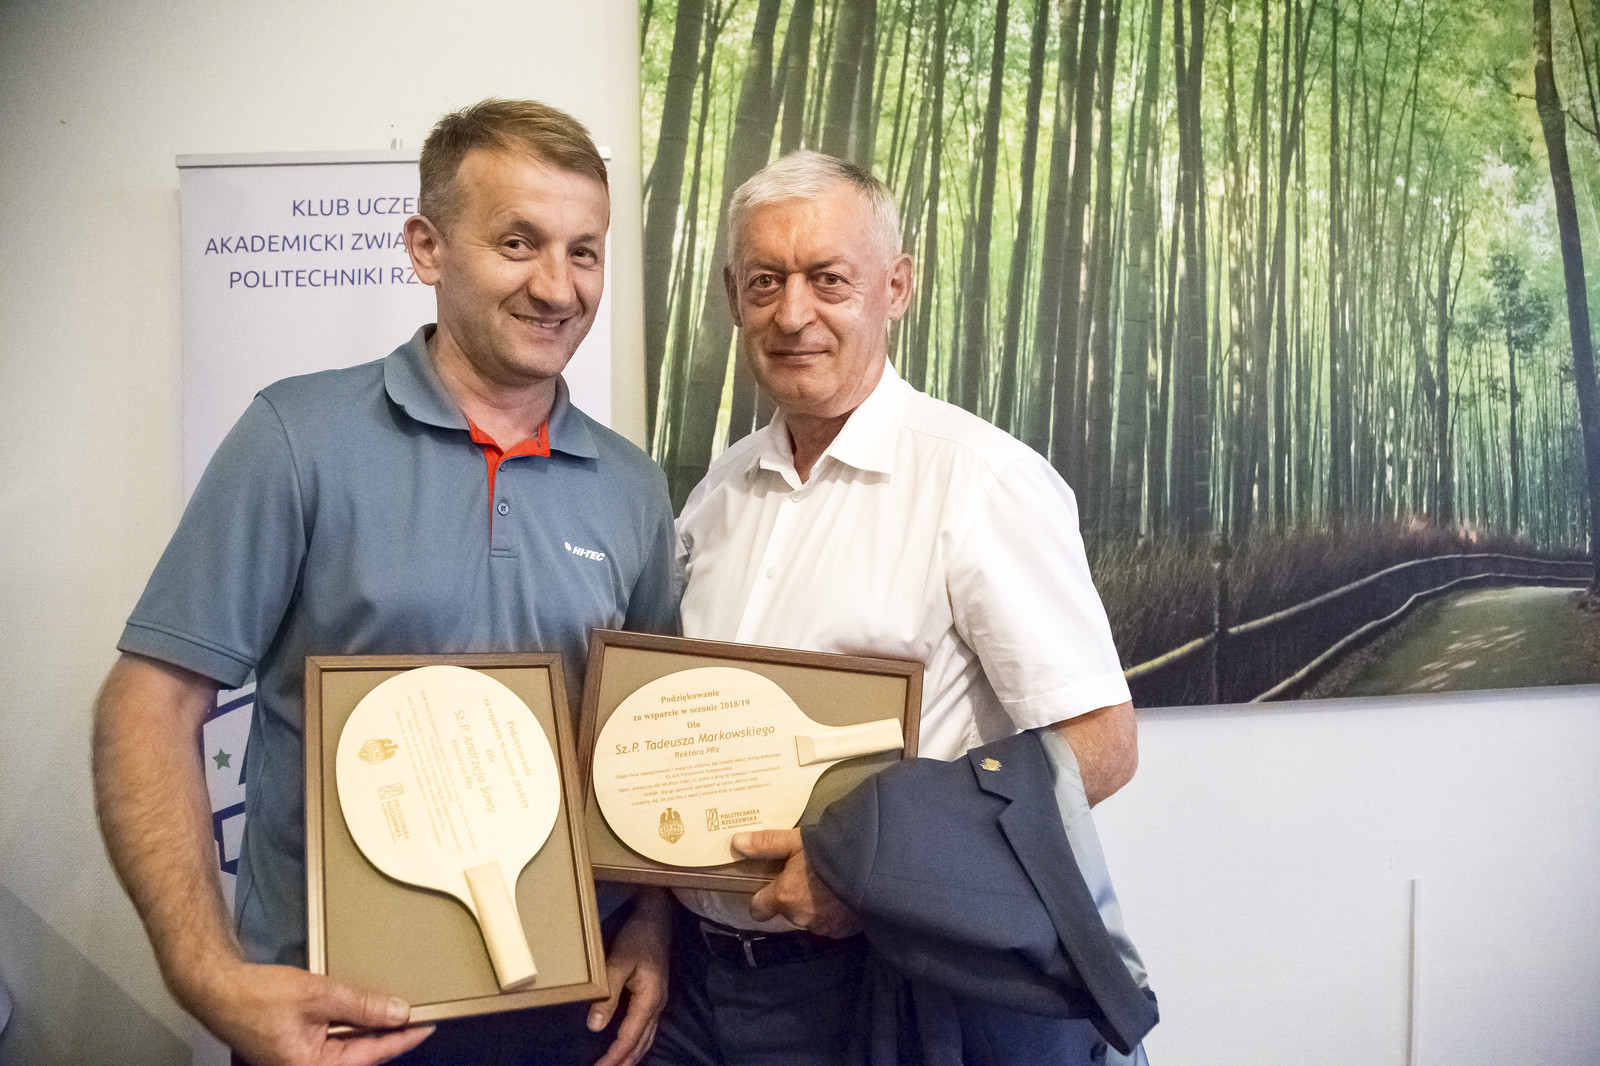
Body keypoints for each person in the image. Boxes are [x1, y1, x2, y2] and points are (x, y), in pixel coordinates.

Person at [92, 99, 678, 1066]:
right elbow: (147, 705)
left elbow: (642, 746)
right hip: (339, 1019)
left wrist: (651, 925)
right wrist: (207, 974)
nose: (557, 285)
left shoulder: (631, 486)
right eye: (519, 242)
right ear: (426, 248)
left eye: (584, 251)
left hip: (569, 1013)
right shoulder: (296, 437)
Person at [655, 150, 1147, 1065]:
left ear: (896, 287)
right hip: (698, 986)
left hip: (886, 985)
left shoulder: (980, 481)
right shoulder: (716, 493)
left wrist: (867, 872)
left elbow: (1101, 746)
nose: (792, 314)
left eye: (827, 279)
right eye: (765, 281)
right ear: (732, 297)